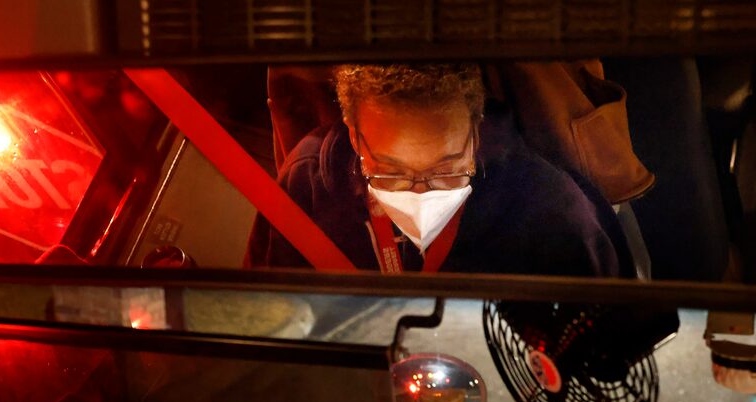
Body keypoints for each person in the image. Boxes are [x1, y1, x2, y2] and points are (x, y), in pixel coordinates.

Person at [248, 62, 628, 277]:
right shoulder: (307, 181)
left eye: (447, 172)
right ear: (353, 132)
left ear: (476, 129)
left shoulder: (551, 212)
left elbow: (611, 349)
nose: (420, 199)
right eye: (389, 173)